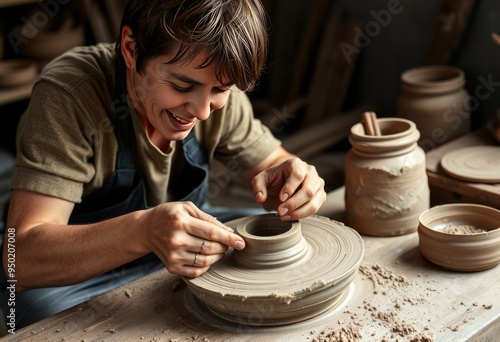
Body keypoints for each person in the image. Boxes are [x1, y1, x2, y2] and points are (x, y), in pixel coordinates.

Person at [1, 0, 326, 329]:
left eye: (220, 89)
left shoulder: (215, 86)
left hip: (179, 248)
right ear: (131, 49)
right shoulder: (69, 96)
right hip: (81, 272)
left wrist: (294, 184)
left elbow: (274, 168)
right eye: (182, 86)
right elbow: (20, 261)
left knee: (272, 247)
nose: (200, 111)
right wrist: (144, 231)